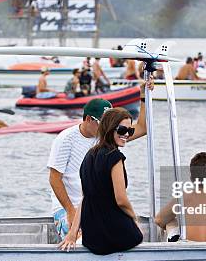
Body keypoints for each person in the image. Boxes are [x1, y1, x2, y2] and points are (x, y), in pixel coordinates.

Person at [49, 81, 152, 242]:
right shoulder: (65, 139)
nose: (107, 127)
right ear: (89, 119)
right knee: (81, 239)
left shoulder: (108, 136)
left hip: (97, 205)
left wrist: (143, 97)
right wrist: (70, 210)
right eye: (102, 123)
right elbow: (54, 178)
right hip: (70, 206)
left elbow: (143, 128)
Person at [60, 108, 143, 255]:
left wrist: (72, 234)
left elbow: (85, 198)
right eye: (122, 129)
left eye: (129, 131)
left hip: (92, 238)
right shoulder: (115, 157)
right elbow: (121, 200)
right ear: (110, 128)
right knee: (139, 236)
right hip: (111, 234)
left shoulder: (88, 156)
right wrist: (135, 220)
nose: (126, 135)